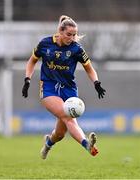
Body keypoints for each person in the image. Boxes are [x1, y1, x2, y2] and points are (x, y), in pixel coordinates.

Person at [22, 15, 106, 159]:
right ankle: (87, 144)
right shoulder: (45, 44)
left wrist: (96, 83)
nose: (72, 38)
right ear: (60, 32)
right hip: (49, 88)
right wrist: (27, 80)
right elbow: (32, 61)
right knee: (69, 118)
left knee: (60, 134)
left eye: (74, 35)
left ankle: (48, 143)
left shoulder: (77, 49)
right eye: (69, 34)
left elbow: (90, 69)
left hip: (69, 88)